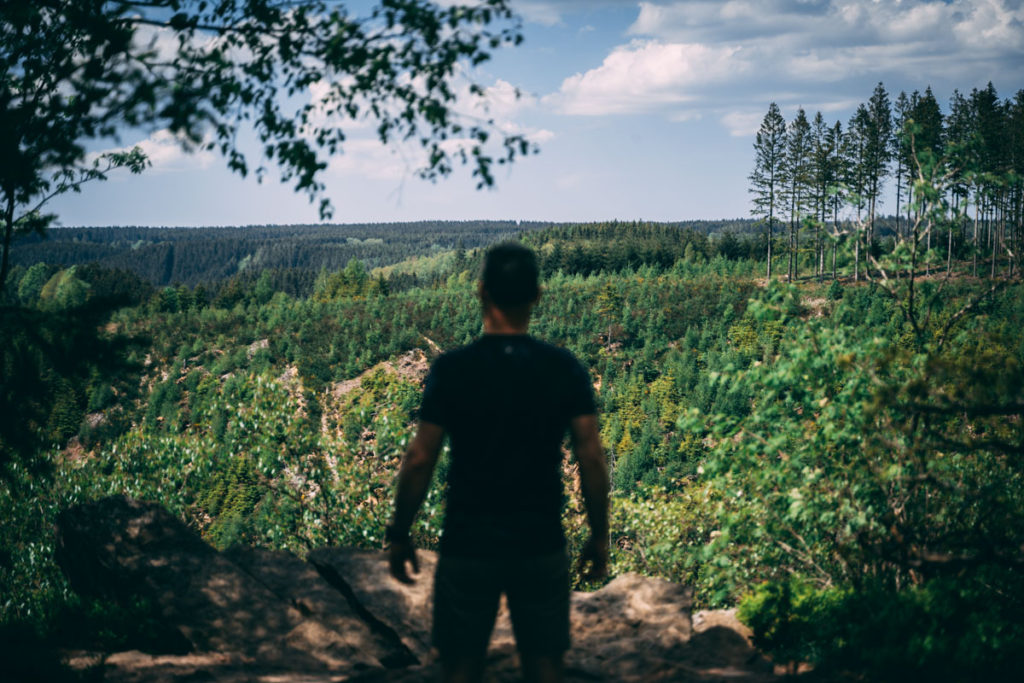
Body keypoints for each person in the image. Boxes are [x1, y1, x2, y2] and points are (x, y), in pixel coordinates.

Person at [387, 242, 610, 683]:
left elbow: (419, 459)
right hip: (540, 539)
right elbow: (591, 456)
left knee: (461, 666)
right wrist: (598, 535)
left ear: (481, 292)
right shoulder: (563, 368)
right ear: (537, 296)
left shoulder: (452, 370)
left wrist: (399, 531)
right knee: (545, 666)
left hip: (468, 540)